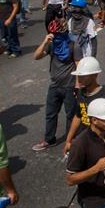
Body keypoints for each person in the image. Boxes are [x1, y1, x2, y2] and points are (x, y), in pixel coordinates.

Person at [32, 19, 77, 152]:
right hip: (54, 86)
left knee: (71, 115)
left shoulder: (73, 44)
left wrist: (78, 85)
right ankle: (49, 139)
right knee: (50, 113)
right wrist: (45, 42)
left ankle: (71, 140)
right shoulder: (53, 45)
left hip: (70, 86)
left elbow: (78, 63)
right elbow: (36, 56)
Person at [63, 56, 105, 155]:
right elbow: (78, 116)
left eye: (83, 76)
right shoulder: (81, 92)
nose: (79, 79)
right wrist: (68, 140)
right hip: (83, 142)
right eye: (79, 75)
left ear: (95, 75)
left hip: (98, 146)